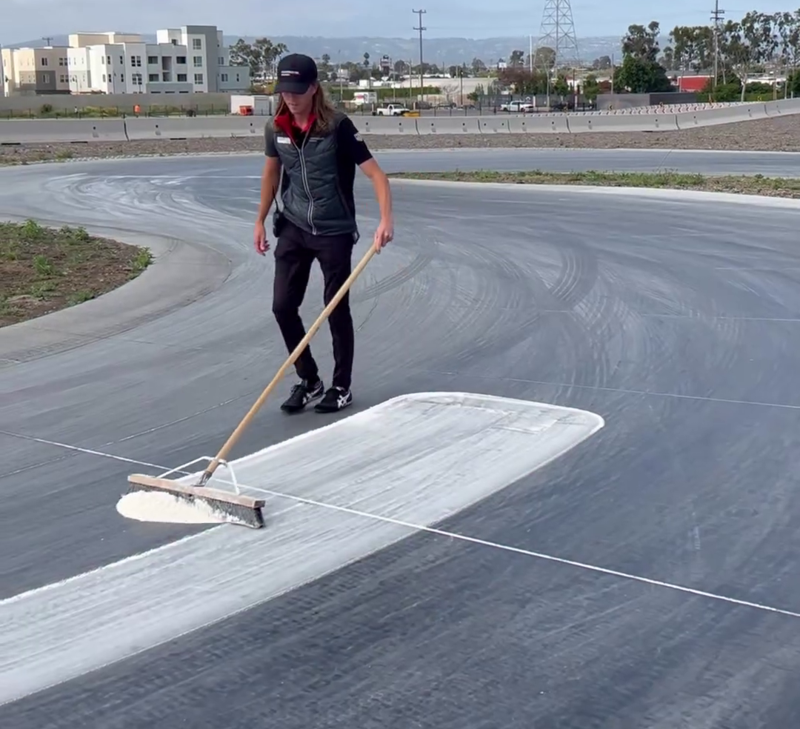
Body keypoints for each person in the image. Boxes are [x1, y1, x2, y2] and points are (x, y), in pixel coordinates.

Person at [254, 53, 394, 415]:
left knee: (335, 308)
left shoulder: (338, 127)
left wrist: (385, 220)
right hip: (294, 227)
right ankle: (309, 379)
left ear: (314, 87)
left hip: (334, 231)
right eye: (285, 90)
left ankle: (341, 386)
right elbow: (271, 175)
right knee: (283, 307)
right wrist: (259, 220)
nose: (291, 97)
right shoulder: (276, 128)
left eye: (298, 90)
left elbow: (377, 176)